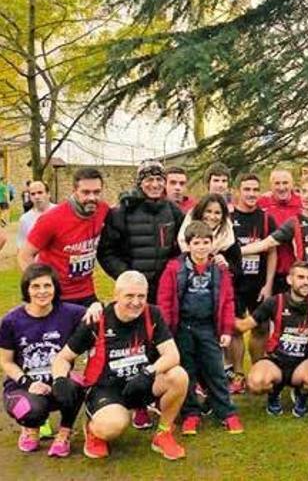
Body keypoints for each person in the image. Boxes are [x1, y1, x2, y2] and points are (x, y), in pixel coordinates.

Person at [51, 271, 189, 460]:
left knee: (178, 376)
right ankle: (93, 428)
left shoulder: (152, 314)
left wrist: (149, 372)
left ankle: (163, 434)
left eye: (141, 296)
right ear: (116, 296)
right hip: (106, 389)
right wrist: (59, 379)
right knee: (113, 426)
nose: (136, 302)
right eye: (129, 296)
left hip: (140, 382)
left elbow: (172, 355)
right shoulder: (97, 320)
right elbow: (63, 357)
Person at [156, 221, 243, 435]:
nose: (201, 247)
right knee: (187, 371)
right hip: (183, 327)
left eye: (206, 242)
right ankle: (191, 414)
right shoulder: (174, 268)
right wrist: (166, 332)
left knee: (216, 370)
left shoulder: (219, 270)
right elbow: (164, 300)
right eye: (197, 243)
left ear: (212, 245)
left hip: (208, 328)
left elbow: (228, 300)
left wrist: (226, 330)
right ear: (188, 245)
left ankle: (226, 412)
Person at [1, 264, 92, 456]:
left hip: (58, 382)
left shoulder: (70, 313)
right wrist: (29, 382)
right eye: (35, 286)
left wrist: (97, 306)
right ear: (26, 289)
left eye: (47, 286)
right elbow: (6, 362)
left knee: (76, 385)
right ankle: (30, 428)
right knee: (33, 410)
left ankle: (64, 433)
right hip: (23, 386)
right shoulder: (10, 321)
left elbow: (95, 314)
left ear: (55, 288)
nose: (42, 291)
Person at [237, 262, 308, 417]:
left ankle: (301, 394)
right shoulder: (274, 302)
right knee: (256, 383)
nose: (306, 282)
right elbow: (244, 326)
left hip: (303, 363)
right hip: (276, 361)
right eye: (301, 277)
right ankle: (274, 395)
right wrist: (219, 316)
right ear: (289, 279)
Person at [19, 168, 109, 307]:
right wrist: (40, 288)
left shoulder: (102, 209)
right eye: (85, 192)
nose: (92, 197)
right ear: (74, 191)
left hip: (86, 292)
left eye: (96, 192)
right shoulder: (52, 219)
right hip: (57, 295)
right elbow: (24, 256)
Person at [98, 160, 185, 303]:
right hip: (133, 290)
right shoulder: (122, 211)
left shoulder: (173, 210)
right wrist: (126, 275)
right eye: (149, 179)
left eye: (159, 179)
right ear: (140, 183)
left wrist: (174, 271)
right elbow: (106, 252)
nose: (155, 185)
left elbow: (183, 245)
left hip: (165, 287)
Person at [245, 176, 308, 301]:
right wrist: (237, 250)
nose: (306, 196)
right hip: (306, 285)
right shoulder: (294, 222)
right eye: (303, 191)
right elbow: (267, 243)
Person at [230, 173, 277, 390]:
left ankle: (257, 369)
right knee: (235, 329)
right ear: (237, 191)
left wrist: (268, 284)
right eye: (247, 189)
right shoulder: (228, 218)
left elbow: (272, 253)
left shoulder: (266, 219)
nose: (251, 194)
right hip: (235, 285)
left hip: (259, 285)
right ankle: (238, 374)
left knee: (261, 327)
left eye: (255, 190)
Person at [257, 168, 302, 294]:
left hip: (296, 272)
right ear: (270, 186)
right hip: (269, 272)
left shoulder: (302, 203)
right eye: (277, 183)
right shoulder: (261, 203)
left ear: (292, 184)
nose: (281, 187)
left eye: (285, 183)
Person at [177, 193, 242, 277]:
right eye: (208, 211)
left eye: (217, 213)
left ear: (223, 216)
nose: (212, 217)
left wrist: (226, 265)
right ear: (200, 212)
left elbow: (238, 271)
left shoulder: (228, 237)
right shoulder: (184, 235)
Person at [16, 180, 54, 248]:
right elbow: (21, 246)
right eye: (33, 194)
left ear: (48, 194)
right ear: (30, 197)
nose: (36, 197)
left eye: (40, 192)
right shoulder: (25, 219)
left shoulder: (61, 212)